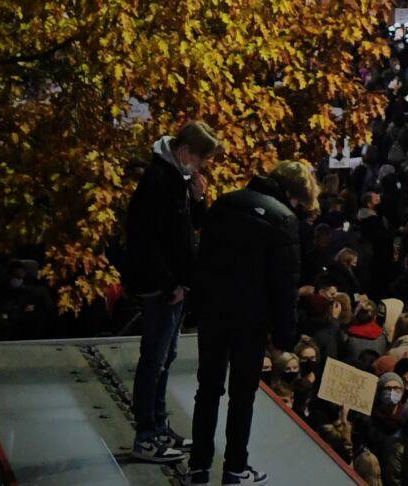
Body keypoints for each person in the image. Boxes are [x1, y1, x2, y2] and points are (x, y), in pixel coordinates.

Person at [188, 160, 315, 486]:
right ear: (292, 193)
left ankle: (198, 467)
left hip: (214, 312)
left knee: (208, 389)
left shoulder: (225, 202)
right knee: (242, 396)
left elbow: (202, 258)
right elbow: (284, 284)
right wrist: (286, 336)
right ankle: (234, 469)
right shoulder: (284, 219)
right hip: (251, 320)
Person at [124, 121, 219, 464]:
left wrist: (199, 198)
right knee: (154, 358)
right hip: (161, 288)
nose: (201, 168)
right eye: (200, 159)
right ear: (184, 152)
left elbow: (190, 226)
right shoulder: (158, 181)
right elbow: (147, 240)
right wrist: (170, 283)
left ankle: (159, 425)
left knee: (166, 357)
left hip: (174, 285)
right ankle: (146, 433)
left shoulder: (176, 180)